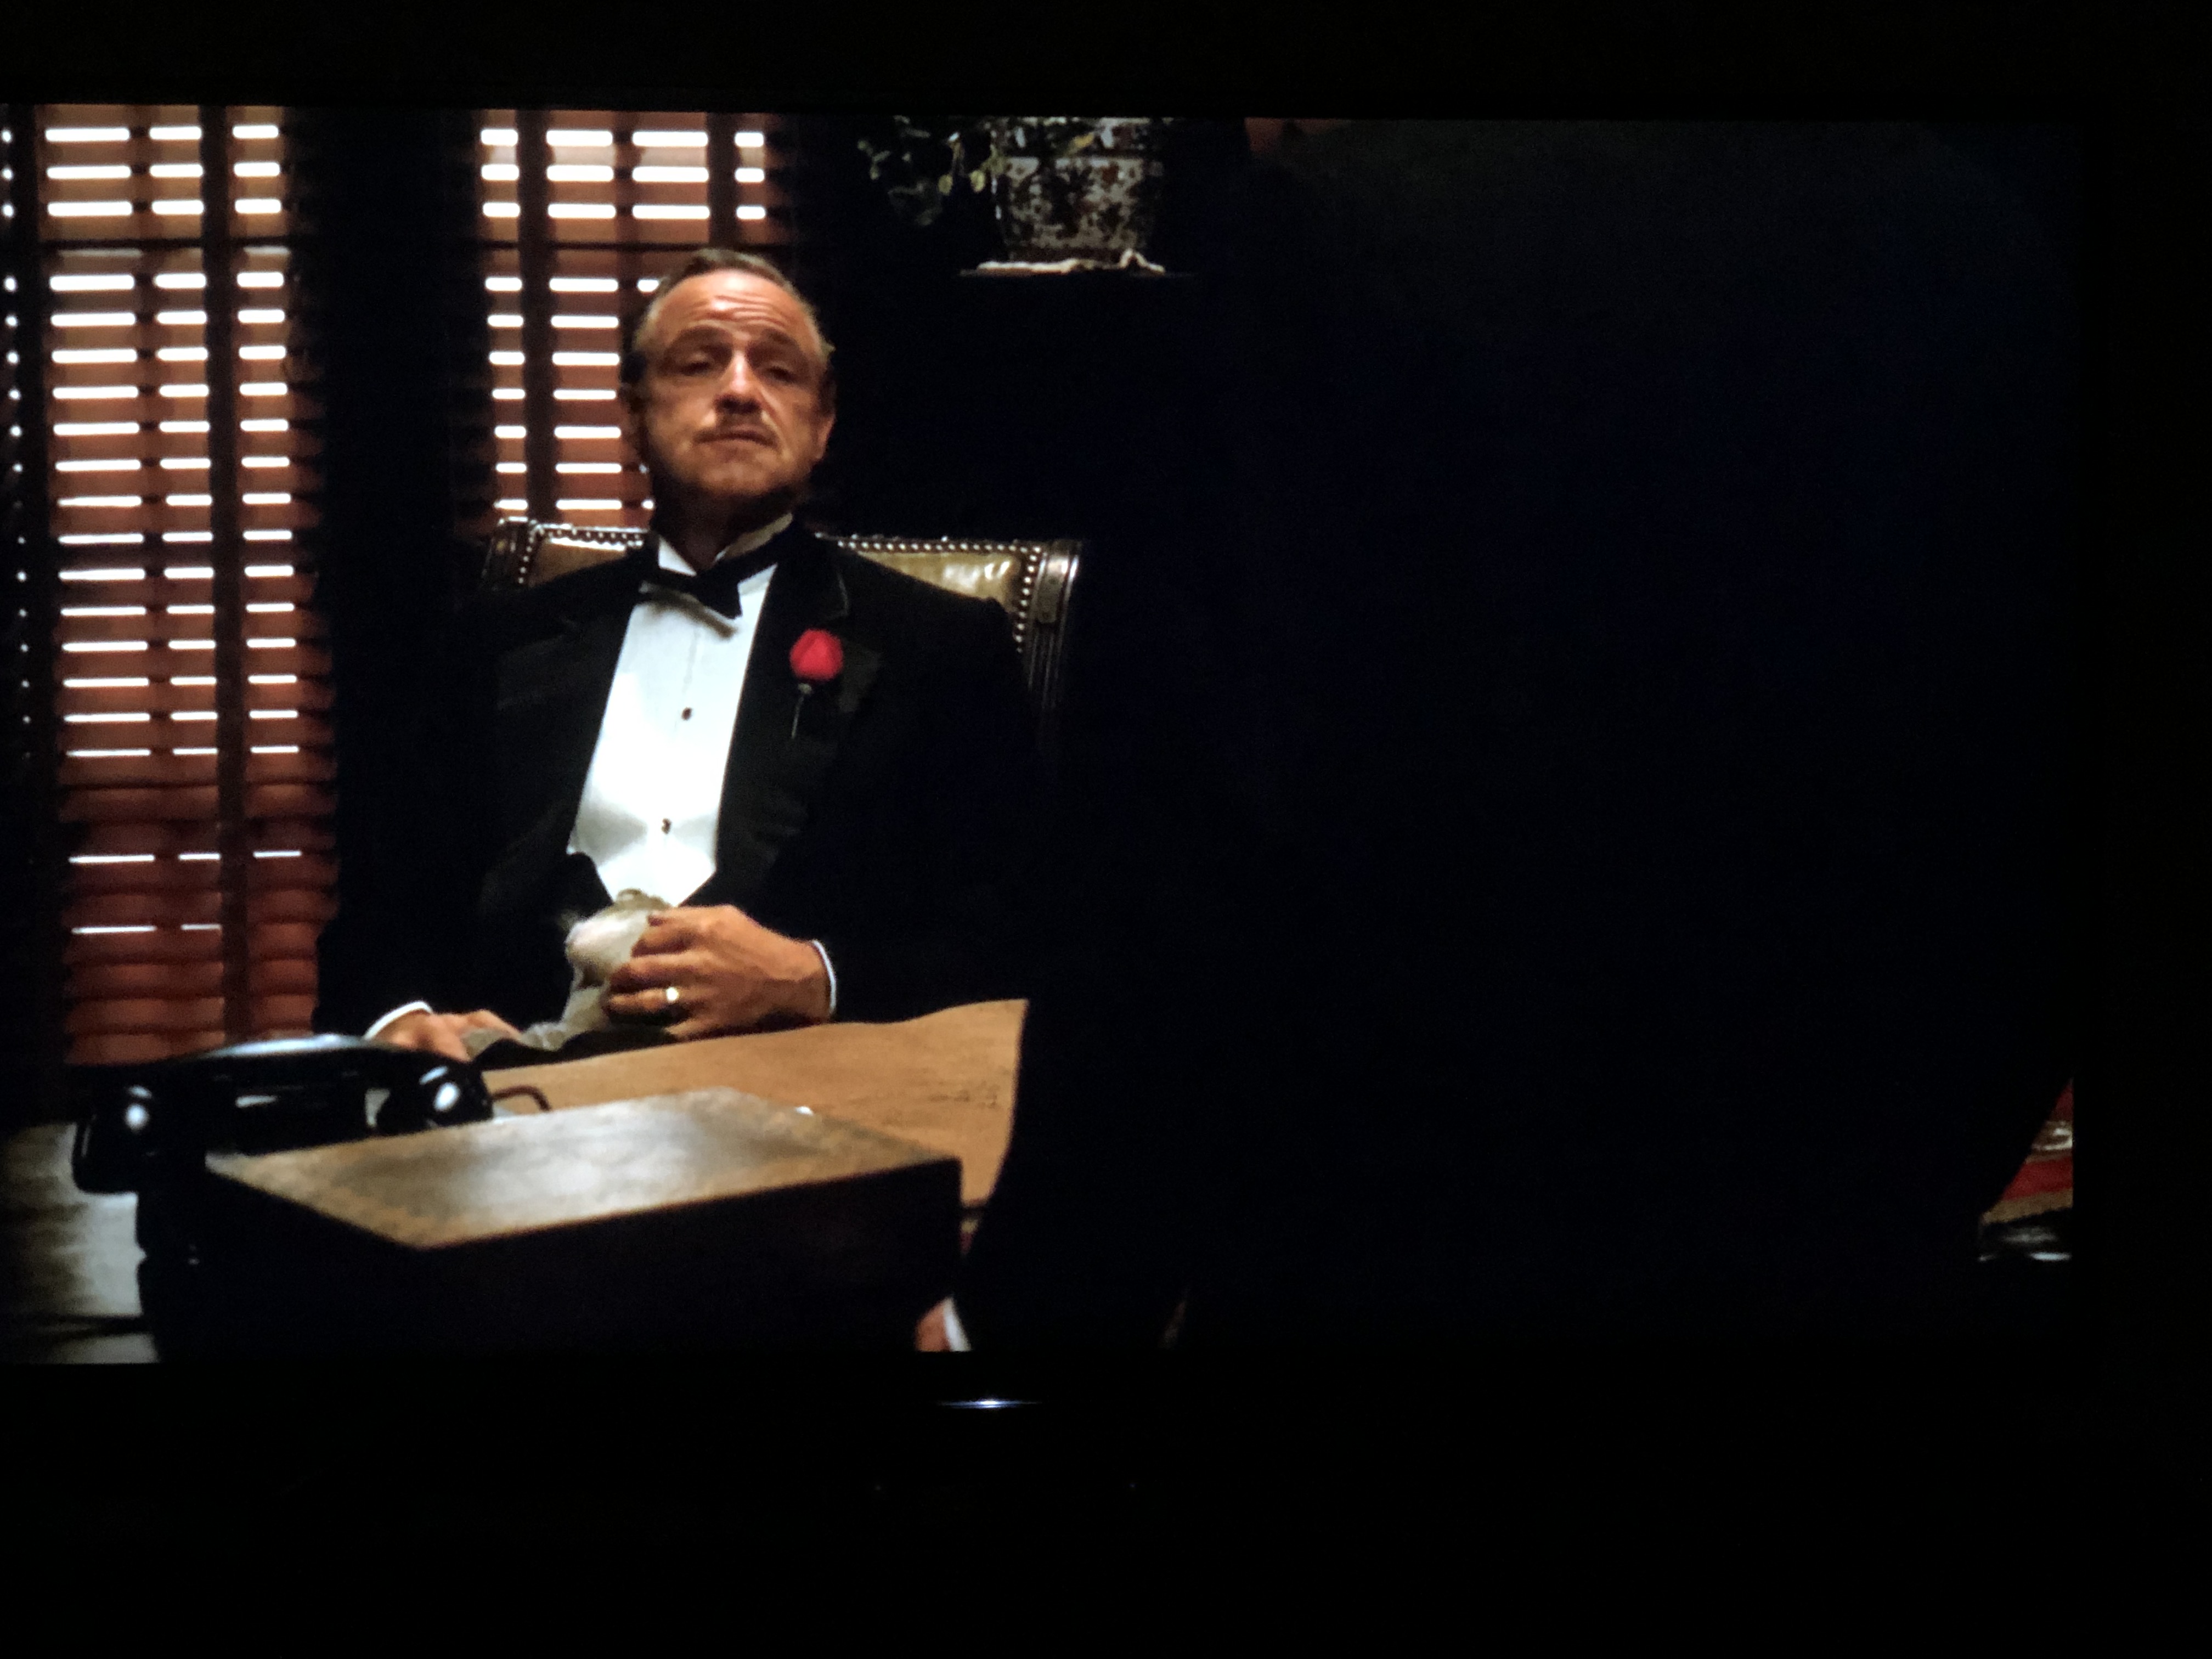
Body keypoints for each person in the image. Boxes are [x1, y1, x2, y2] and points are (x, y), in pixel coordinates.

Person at [924, 121, 2076, 1349]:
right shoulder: (1978, 233)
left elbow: (1184, 862)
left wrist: (1029, 1316)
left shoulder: (1333, 234)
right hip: (1856, 1252)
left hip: (1412, 1256)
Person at [314, 250, 1041, 1058]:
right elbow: (379, 917)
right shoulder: (497, 641)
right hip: (520, 1093)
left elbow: (1022, 933)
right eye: (699, 364)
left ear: (822, 425)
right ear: (633, 414)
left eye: (779, 371)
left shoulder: (938, 646)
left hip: (799, 1093)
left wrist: (818, 977)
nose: (740, 391)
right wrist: (398, 1019)